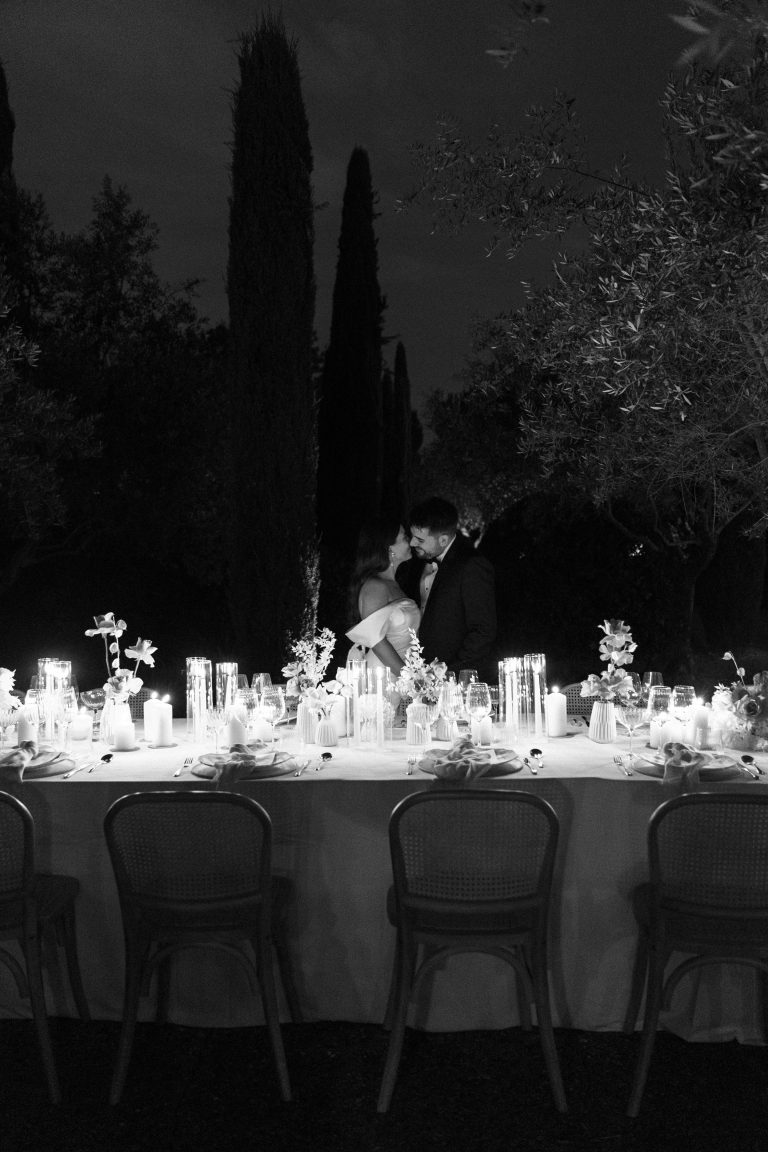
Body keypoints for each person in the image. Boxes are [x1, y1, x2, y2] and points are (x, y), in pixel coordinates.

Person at [397, 497, 497, 679]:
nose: (412, 543)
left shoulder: (472, 565)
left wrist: (450, 673)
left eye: (420, 539)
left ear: (443, 540)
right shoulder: (416, 562)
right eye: (412, 537)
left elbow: (483, 630)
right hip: (420, 673)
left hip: (454, 677)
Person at [345, 518, 420, 677]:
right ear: (388, 547)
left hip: (405, 671)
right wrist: (409, 678)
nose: (411, 542)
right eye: (405, 538)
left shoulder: (395, 585)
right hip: (385, 674)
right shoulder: (375, 586)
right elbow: (376, 639)